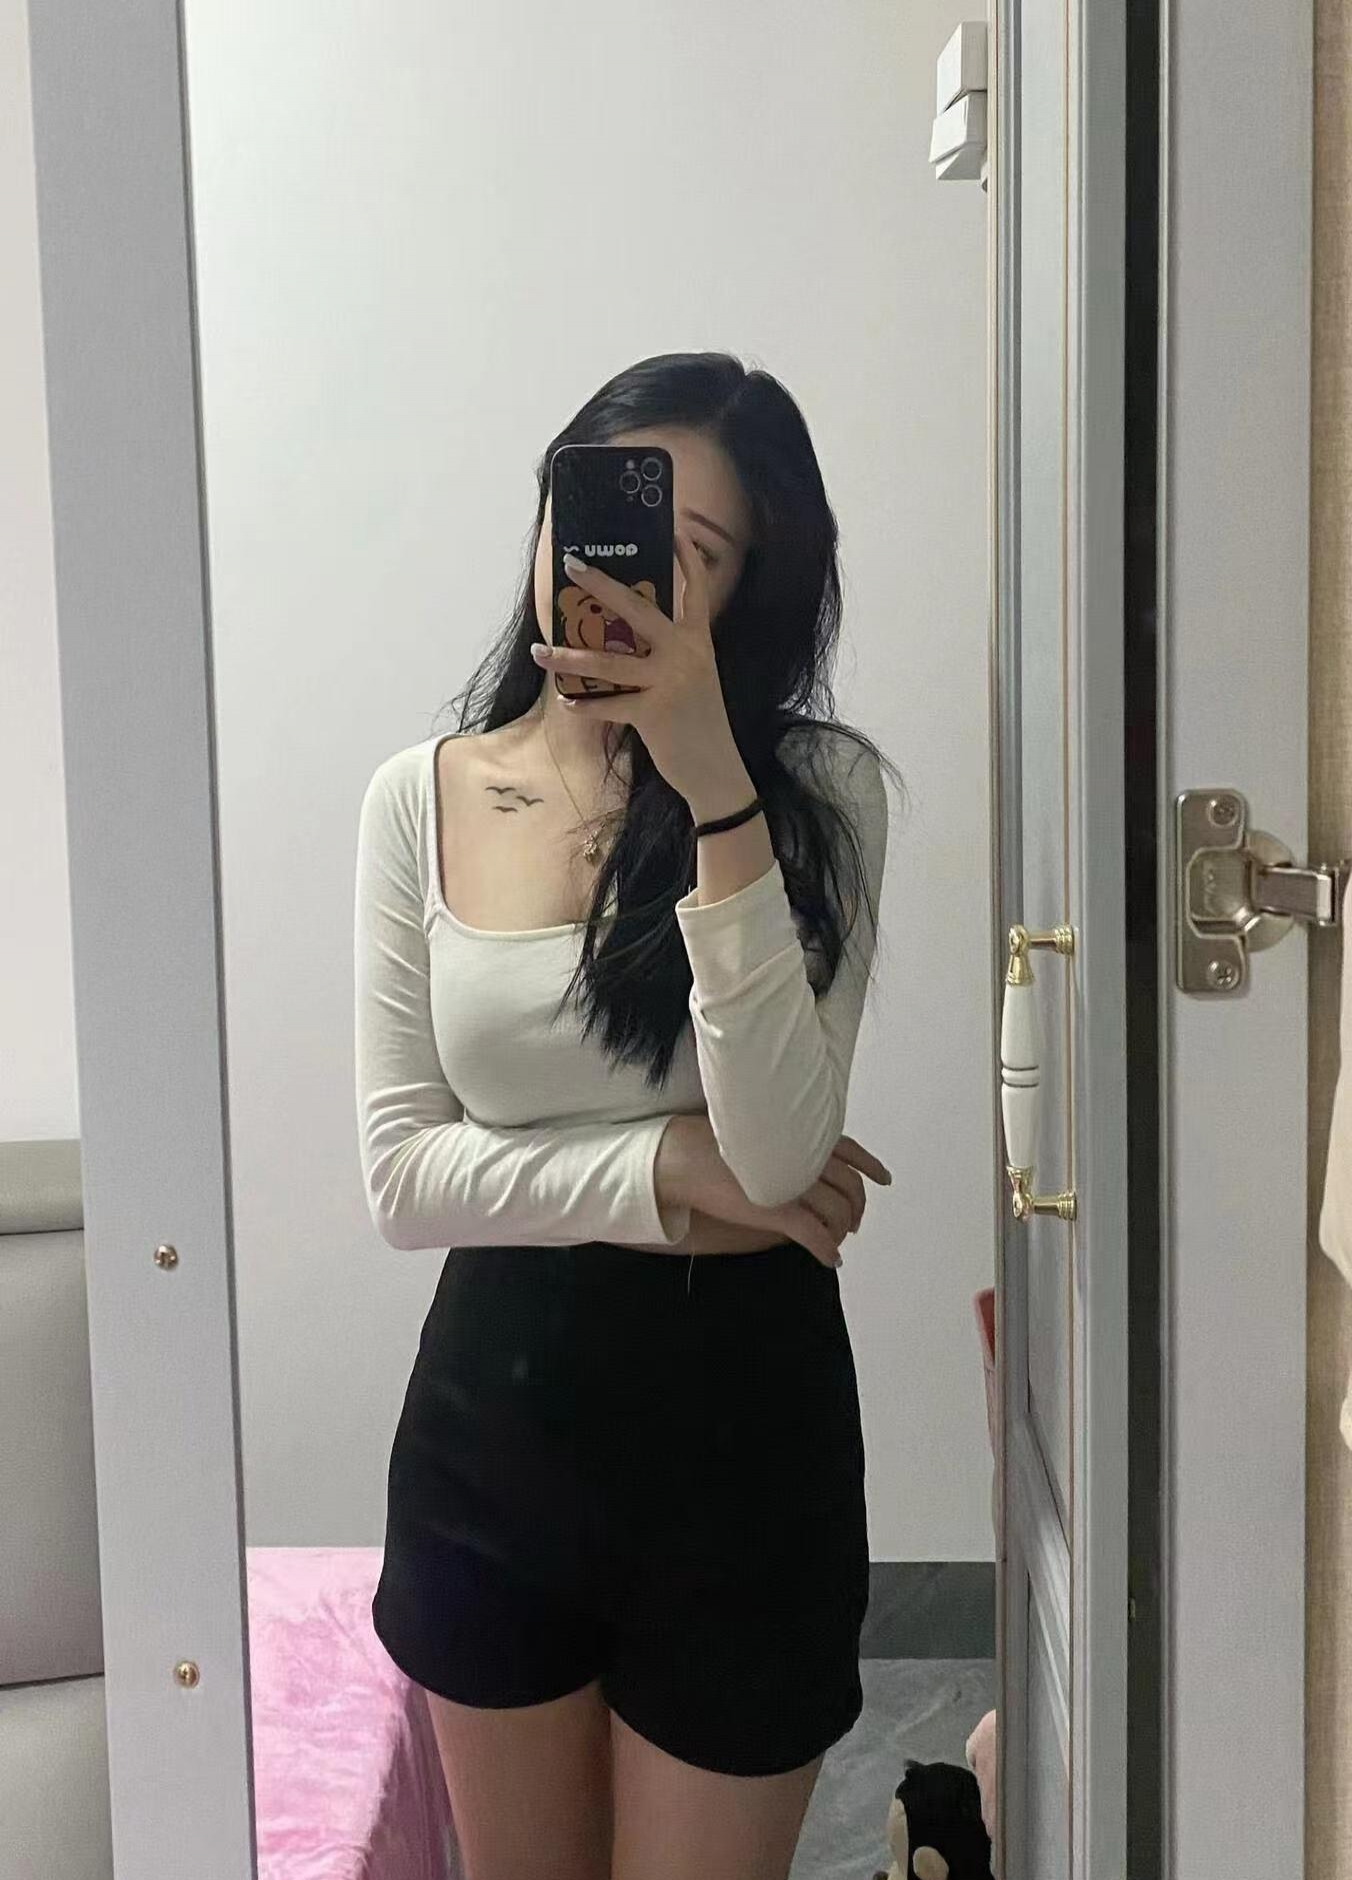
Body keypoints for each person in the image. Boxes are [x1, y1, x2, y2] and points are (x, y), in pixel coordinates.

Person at [354, 352, 898, 1880]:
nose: (629, 579)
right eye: (603, 517)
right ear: (551, 515)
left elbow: (777, 1155)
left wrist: (713, 784)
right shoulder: (421, 797)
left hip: (744, 1438)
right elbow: (403, 1177)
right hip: (493, 1427)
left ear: (747, 590)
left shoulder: (820, 798)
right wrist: (666, 1166)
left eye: (694, 554)